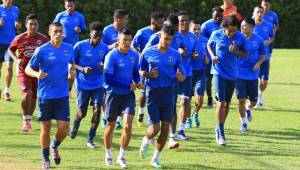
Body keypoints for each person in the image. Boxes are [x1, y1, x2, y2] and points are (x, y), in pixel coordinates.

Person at [25, 22, 75, 169]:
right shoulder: (41, 50)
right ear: (49, 33)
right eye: (55, 31)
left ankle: (55, 145)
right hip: (45, 96)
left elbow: (71, 66)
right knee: (45, 128)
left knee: (64, 129)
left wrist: (72, 74)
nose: (58, 34)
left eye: (60, 31)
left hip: (62, 95)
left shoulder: (69, 48)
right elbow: (28, 68)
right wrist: (36, 74)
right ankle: (45, 159)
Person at [139, 24, 185, 168]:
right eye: (165, 38)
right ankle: (146, 139)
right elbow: (141, 72)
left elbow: (182, 77)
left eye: (170, 39)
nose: (167, 42)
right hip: (152, 92)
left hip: (168, 92)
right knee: (156, 128)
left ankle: (155, 159)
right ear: (160, 36)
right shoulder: (147, 52)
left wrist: (180, 76)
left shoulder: (175, 54)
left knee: (166, 127)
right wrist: (149, 75)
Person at [102, 28, 142, 168]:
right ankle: (108, 154)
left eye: (129, 40)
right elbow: (107, 79)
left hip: (127, 96)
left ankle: (121, 156)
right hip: (113, 95)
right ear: (118, 41)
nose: (127, 43)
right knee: (110, 125)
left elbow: (136, 72)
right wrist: (127, 85)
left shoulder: (133, 55)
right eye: (124, 40)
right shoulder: (111, 56)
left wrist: (137, 81)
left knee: (127, 125)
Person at [207, 15, 248, 146]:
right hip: (218, 72)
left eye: (234, 31)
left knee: (227, 104)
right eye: (229, 31)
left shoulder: (241, 37)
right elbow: (209, 45)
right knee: (221, 102)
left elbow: (245, 54)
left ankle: (218, 127)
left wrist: (236, 51)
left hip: (232, 74)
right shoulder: (216, 34)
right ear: (224, 27)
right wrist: (212, 55)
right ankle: (221, 132)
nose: (231, 34)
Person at [146, 13, 184, 149]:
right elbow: (145, 57)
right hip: (153, 84)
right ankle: (150, 130)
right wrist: (148, 74)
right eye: (171, 27)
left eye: (176, 28)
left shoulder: (178, 37)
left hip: (171, 83)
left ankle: (172, 138)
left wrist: (183, 52)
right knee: (155, 119)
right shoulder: (154, 38)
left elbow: (182, 54)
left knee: (172, 108)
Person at [69, 21, 109, 148]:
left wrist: (103, 67)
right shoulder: (79, 46)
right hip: (83, 84)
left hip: (98, 84)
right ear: (90, 34)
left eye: (100, 36)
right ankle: (75, 124)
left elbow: (107, 63)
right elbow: (71, 63)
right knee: (82, 113)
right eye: (95, 35)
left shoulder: (104, 48)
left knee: (97, 111)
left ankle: (90, 139)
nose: (97, 39)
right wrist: (82, 69)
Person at [8, 14, 48, 132]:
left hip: (37, 73)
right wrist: (16, 60)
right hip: (23, 71)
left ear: (38, 25)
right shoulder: (20, 38)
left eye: (35, 24)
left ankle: (29, 119)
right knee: (27, 92)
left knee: (34, 96)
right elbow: (10, 49)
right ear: (26, 25)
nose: (33, 26)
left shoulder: (44, 39)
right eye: (31, 24)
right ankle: (25, 121)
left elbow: (48, 52)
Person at [132, 11, 164, 126]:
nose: (162, 24)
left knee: (155, 91)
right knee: (144, 91)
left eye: (163, 21)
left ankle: (152, 116)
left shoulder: (163, 33)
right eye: (160, 22)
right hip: (144, 66)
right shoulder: (142, 32)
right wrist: (141, 54)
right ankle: (141, 112)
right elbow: (133, 45)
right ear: (153, 22)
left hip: (158, 65)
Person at [101, 9, 129, 129]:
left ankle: (117, 119)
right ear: (118, 19)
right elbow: (100, 47)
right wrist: (112, 46)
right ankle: (105, 115)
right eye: (125, 18)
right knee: (106, 91)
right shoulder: (107, 30)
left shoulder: (124, 31)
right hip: (108, 64)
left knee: (120, 89)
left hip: (122, 64)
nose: (127, 21)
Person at [237, 17, 266, 132]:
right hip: (239, 74)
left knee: (253, 102)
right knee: (241, 100)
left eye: (245, 25)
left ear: (252, 27)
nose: (243, 27)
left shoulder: (258, 40)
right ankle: (243, 123)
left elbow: (263, 55)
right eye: (242, 25)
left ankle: (248, 109)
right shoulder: (237, 38)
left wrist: (258, 63)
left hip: (253, 75)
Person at [53, 0, 87, 98]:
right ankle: (62, 89)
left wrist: (80, 30)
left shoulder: (80, 16)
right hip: (61, 46)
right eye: (68, 6)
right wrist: (59, 35)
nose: (69, 8)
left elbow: (84, 29)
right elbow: (53, 27)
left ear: (74, 5)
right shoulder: (60, 16)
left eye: (71, 6)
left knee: (72, 69)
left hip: (74, 48)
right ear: (65, 5)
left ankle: (68, 90)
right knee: (60, 69)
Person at [176, 11, 195, 140]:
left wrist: (193, 54)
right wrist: (178, 51)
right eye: (181, 20)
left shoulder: (193, 37)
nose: (184, 22)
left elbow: (193, 53)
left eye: (186, 20)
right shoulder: (172, 35)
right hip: (173, 74)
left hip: (187, 73)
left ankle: (181, 130)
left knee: (185, 101)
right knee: (170, 104)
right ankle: (168, 129)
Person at [201, 6, 223, 108]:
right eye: (215, 17)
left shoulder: (225, 25)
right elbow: (201, 42)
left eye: (219, 16)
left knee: (221, 78)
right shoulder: (206, 26)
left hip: (222, 58)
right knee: (208, 79)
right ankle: (209, 97)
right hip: (209, 58)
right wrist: (205, 56)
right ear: (212, 16)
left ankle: (219, 97)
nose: (218, 19)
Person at [188, 19, 209, 128]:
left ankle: (195, 114)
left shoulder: (205, 40)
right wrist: (190, 55)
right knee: (187, 99)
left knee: (200, 97)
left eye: (198, 29)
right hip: (188, 72)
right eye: (194, 29)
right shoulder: (186, 40)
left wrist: (206, 57)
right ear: (190, 30)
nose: (196, 31)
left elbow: (207, 60)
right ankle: (187, 119)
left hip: (201, 72)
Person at [252, 6, 274, 107]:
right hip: (252, 57)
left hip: (265, 57)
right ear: (254, 13)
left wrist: (268, 41)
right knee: (253, 79)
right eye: (257, 12)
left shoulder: (269, 25)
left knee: (264, 81)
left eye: (261, 12)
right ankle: (255, 99)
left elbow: (272, 36)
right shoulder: (249, 24)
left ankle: (260, 94)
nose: (259, 14)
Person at [0, 0, 21, 101]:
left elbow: (17, 24)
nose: (9, 1)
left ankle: (7, 91)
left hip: (10, 43)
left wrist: (17, 25)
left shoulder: (16, 10)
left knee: (9, 66)